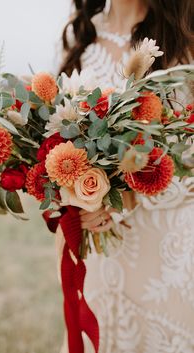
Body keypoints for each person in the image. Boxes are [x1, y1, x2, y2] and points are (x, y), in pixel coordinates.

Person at [58, 0, 194, 352]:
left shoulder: (184, 34)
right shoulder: (80, 38)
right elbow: (58, 141)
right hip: (101, 247)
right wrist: (77, 195)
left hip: (171, 248)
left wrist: (126, 194)